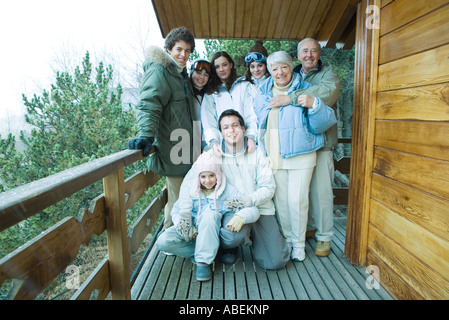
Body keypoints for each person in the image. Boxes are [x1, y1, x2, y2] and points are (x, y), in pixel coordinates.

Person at [254, 51, 337, 262]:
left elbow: (326, 121)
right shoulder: (262, 92)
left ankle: (299, 244)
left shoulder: (305, 90)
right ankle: (290, 239)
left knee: (297, 200)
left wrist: (314, 105)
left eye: (283, 67)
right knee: (281, 203)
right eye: (274, 68)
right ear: (270, 71)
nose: (279, 72)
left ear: (292, 67)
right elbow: (259, 123)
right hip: (274, 154)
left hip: (301, 154)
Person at [128, 27, 196, 230]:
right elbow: (149, 103)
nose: (183, 55)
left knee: (184, 195)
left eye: (188, 51)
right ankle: (170, 236)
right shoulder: (160, 71)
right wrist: (146, 136)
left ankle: (179, 232)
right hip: (173, 145)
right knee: (177, 197)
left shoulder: (179, 75)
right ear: (168, 48)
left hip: (185, 145)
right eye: (179, 49)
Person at [156, 151, 260, 281]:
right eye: (203, 176)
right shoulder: (191, 191)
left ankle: (203, 262)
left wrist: (242, 216)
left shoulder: (227, 191)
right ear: (198, 177)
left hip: (213, 230)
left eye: (212, 175)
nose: (207, 181)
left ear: (218, 175)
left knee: (210, 215)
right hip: (195, 233)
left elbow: (252, 209)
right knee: (163, 241)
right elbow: (176, 211)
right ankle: (209, 250)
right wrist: (184, 225)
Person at [217, 109, 290, 270]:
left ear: (243, 129)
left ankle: (259, 240)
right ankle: (233, 243)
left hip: (262, 210)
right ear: (221, 133)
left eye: (235, 125)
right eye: (226, 127)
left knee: (276, 262)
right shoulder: (215, 156)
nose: (231, 130)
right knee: (230, 237)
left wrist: (248, 200)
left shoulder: (257, 154)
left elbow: (269, 188)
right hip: (234, 212)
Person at [201, 51, 258, 157]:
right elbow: (208, 121)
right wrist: (214, 143)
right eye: (217, 67)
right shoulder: (211, 93)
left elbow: (252, 114)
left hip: (246, 144)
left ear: (231, 64)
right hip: (223, 148)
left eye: (224, 65)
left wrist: (251, 137)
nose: (221, 69)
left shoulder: (244, 86)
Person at [189, 58, 212, 152]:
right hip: (186, 142)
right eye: (198, 73)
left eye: (206, 75)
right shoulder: (185, 93)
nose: (202, 77)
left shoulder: (209, 95)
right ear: (191, 72)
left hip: (205, 143)